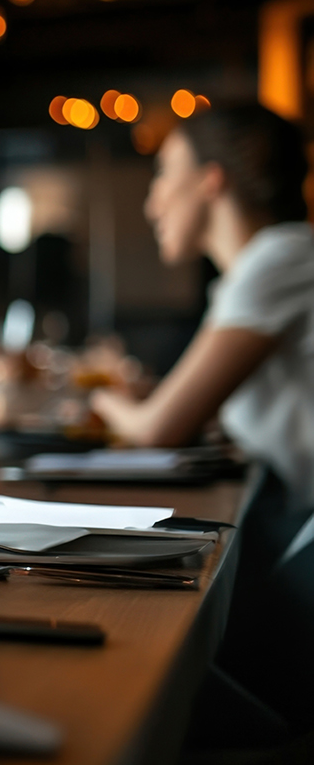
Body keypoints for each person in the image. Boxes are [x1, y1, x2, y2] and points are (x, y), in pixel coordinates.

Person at [89, 105, 312, 531]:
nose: (152, 205)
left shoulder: (278, 260)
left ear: (212, 179)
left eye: (163, 173)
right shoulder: (256, 272)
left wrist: (97, 397)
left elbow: (156, 431)